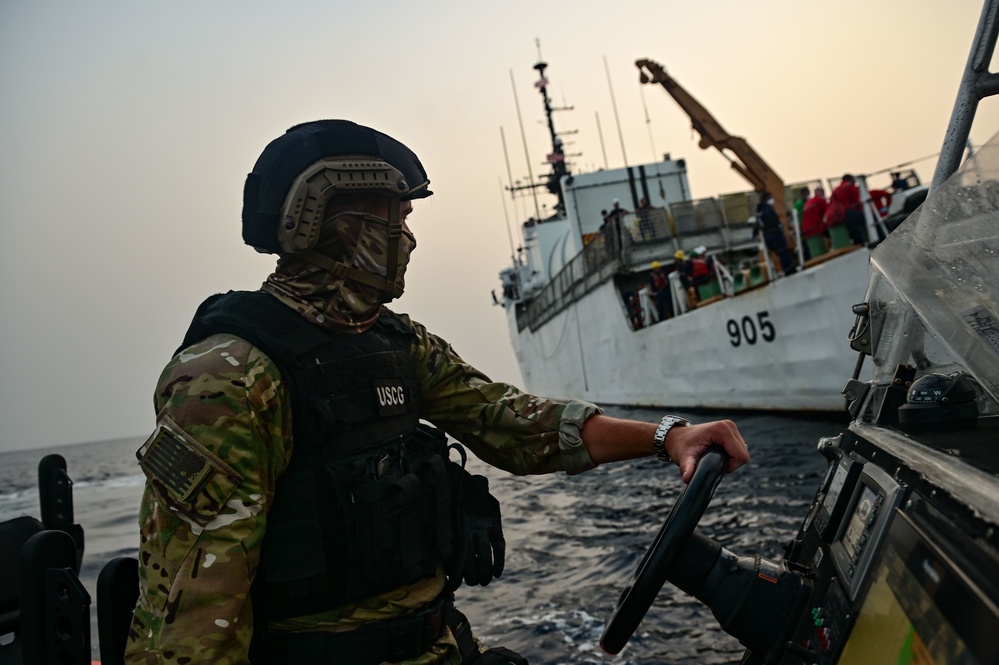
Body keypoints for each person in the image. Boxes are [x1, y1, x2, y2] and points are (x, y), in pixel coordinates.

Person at [125, 120, 750, 665]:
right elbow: (190, 622)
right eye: (395, 214)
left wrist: (667, 436)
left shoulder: (394, 343)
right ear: (334, 222)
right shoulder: (228, 376)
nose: (407, 233)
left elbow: (512, 421)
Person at [755, 193, 797, 275]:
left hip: (766, 236)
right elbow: (773, 221)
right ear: (767, 199)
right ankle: (789, 269)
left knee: (778, 254)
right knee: (783, 252)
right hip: (774, 234)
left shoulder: (759, 211)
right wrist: (779, 226)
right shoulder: (768, 209)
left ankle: (781, 269)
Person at [829, 174, 866, 246]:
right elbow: (857, 200)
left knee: (854, 234)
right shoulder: (850, 186)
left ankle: (859, 245)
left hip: (842, 216)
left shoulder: (836, 190)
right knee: (870, 221)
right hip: (852, 212)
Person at [801, 187, 829, 259]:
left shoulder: (809, 202)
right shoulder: (820, 200)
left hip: (807, 230)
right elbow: (829, 212)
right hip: (816, 227)